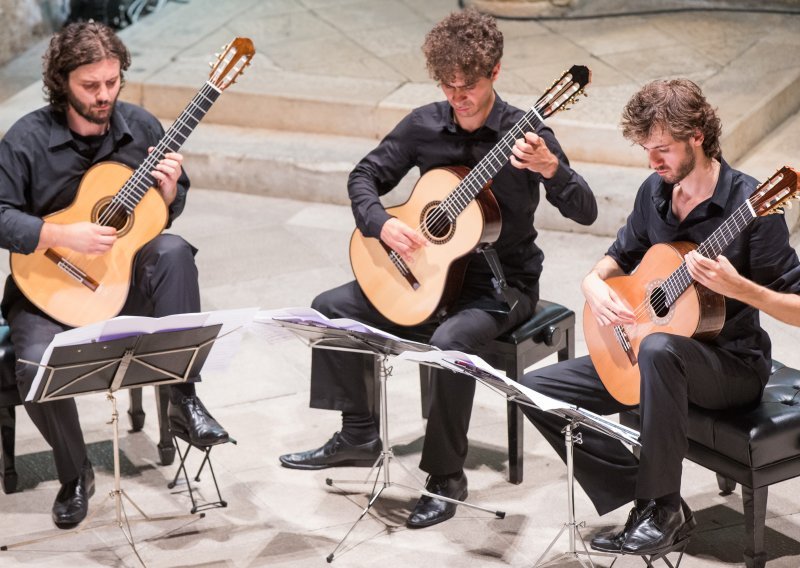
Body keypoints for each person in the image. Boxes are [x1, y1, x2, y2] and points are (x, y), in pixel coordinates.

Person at [279, 9, 597, 529]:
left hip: (501, 284)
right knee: (328, 308)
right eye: (447, 86)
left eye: (467, 85)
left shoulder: (528, 135)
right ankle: (359, 434)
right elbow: (364, 176)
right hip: (427, 270)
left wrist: (551, 169)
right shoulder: (424, 124)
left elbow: (585, 210)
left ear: (495, 73)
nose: (457, 96)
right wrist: (381, 223)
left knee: (451, 343)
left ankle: (446, 477)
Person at [518, 78, 800, 555]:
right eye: (647, 150)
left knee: (658, 347)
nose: (653, 162)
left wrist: (741, 289)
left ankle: (662, 506)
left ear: (698, 136)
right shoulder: (654, 191)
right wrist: (592, 282)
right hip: (657, 350)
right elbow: (619, 256)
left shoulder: (752, 208)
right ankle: (638, 489)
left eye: (662, 149)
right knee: (537, 390)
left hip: (731, 366)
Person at [0, 22, 229, 528]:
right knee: (35, 366)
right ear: (62, 82)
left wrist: (169, 194)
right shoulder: (26, 140)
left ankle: (183, 400)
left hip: (121, 284)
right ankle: (75, 474)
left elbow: (159, 216)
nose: (104, 95)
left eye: (112, 82)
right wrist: (63, 236)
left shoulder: (143, 128)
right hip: (49, 288)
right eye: (90, 85)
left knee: (172, 251)